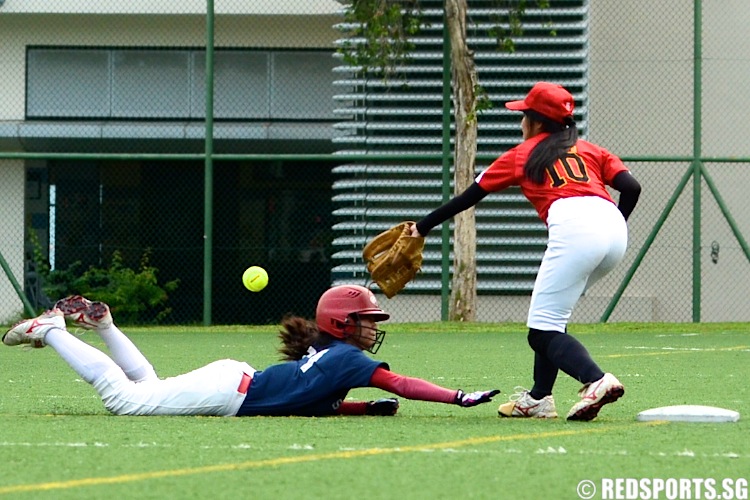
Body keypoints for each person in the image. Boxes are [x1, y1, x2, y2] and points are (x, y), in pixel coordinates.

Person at [410, 82, 641, 421]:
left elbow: (469, 197)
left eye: (524, 116)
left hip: (576, 226)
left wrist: (422, 227)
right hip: (613, 229)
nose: (521, 123)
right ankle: (538, 399)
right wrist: (612, 223)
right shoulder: (591, 149)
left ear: (535, 122)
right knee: (550, 320)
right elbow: (632, 188)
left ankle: (596, 380)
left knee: (541, 330)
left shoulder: (522, 154)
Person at [2, 287, 500, 417]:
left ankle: (104, 325)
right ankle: (51, 330)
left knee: (147, 388)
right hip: (231, 390)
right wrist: (457, 397)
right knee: (127, 401)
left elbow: (312, 404)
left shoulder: (334, 359)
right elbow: (402, 384)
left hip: (234, 382)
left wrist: (363, 407)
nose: (373, 328)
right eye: (367, 320)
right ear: (341, 324)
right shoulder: (347, 358)